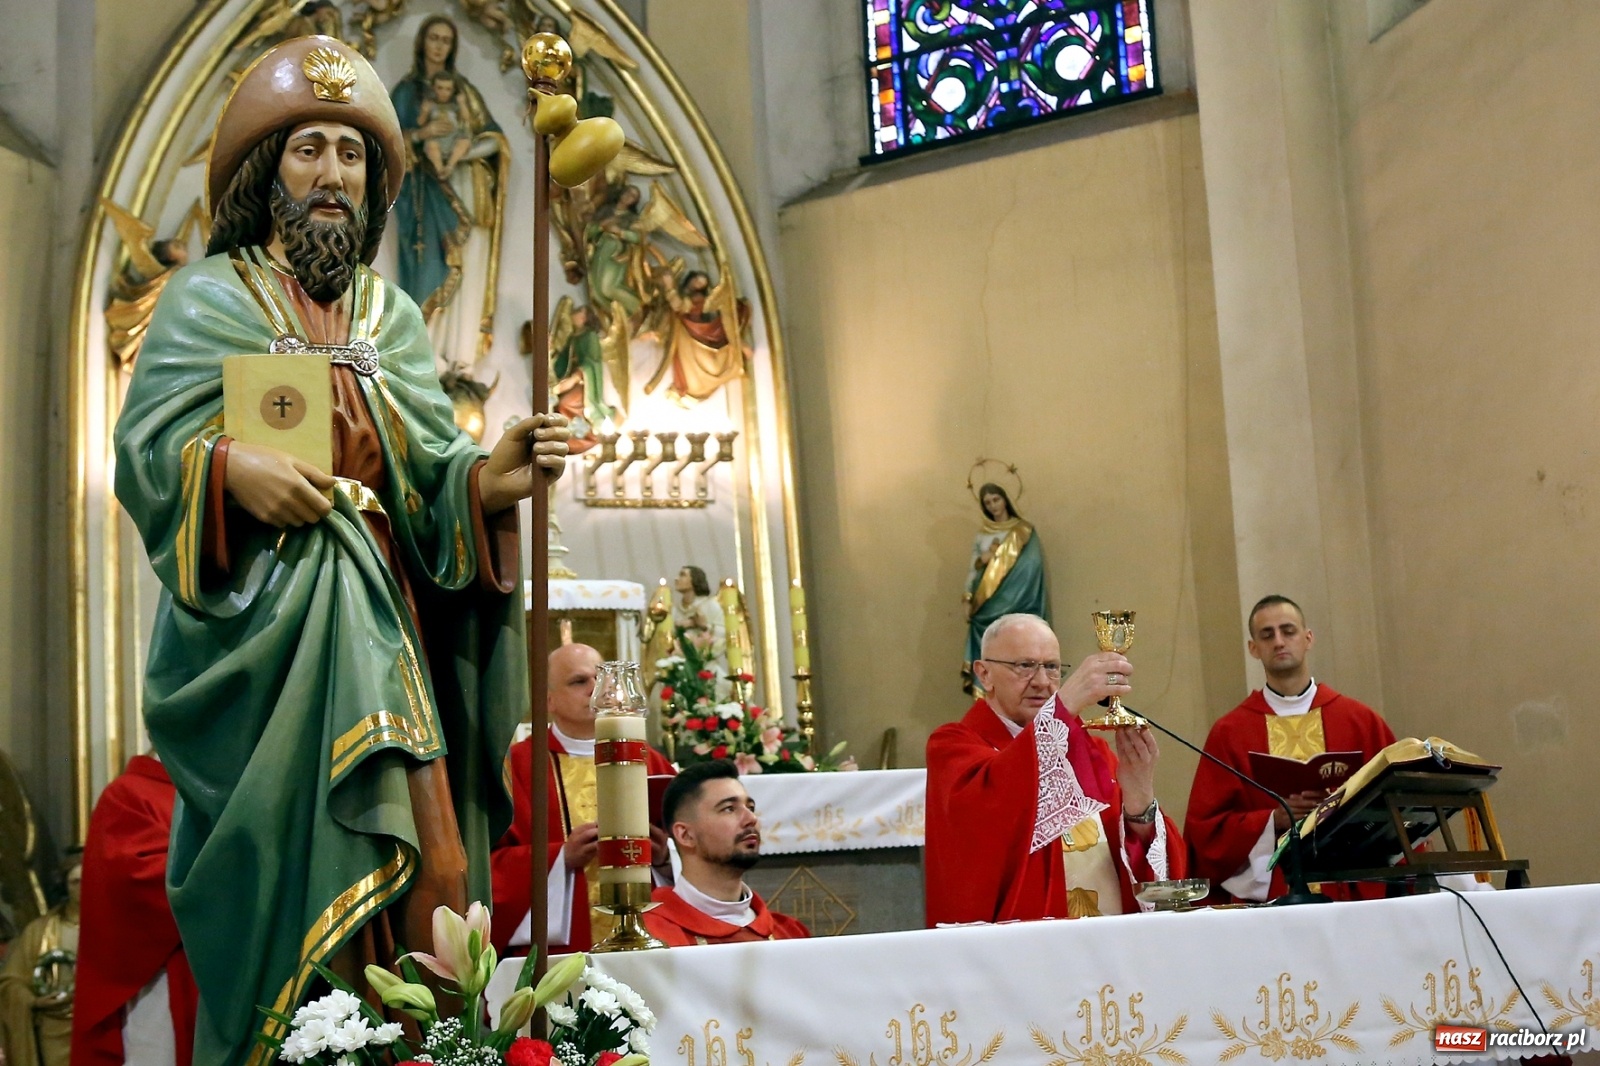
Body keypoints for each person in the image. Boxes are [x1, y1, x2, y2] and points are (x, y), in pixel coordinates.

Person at [110, 36, 568, 1066]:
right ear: (264, 171)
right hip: (268, 649)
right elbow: (146, 454)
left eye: (352, 157)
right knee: (299, 876)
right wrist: (229, 468)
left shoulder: (390, 316)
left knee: (432, 856)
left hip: (384, 622)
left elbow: (433, 480)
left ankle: (414, 1043)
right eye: (309, 149)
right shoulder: (206, 298)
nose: (332, 176)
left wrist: (495, 478)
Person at [925, 614, 1186, 924]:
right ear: (984, 674)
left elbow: (1150, 876)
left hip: (1109, 951)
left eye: (1051, 667)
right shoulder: (953, 746)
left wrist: (1139, 797)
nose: (1041, 681)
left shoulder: (1093, 753)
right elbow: (992, 818)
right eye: (1024, 666)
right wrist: (1063, 705)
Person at [1183, 596, 1397, 903]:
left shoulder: (1360, 722)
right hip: (1272, 898)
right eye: (1267, 635)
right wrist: (1273, 819)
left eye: (1288, 631)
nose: (1279, 642)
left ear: (1308, 638)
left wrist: (1340, 811)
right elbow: (1207, 833)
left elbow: (1394, 807)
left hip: (1351, 892)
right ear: (1253, 648)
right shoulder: (1230, 733)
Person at [490, 644, 675, 955]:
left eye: (601, 678)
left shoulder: (650, 761)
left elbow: (692, 848)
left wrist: (664, 858)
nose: (596, 689)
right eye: (579, 681)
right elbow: (489, 869)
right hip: (561, 956)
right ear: (547, 700)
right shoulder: (517, 767)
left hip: (650, 946)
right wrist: (560, 858)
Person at [388, 15, 509, 362]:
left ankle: (458, 355)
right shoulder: (407, 92)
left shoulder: (465, 93)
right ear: (422, 43)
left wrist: (463, 154)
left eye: (446, 40)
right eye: (434, 38)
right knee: (428, 263)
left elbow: (494, 139)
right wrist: (422, 136)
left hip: (463, 186)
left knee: (466, 260)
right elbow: (389, 142)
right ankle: (423, 353)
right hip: (422, 195)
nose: (439, 46)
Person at [70, 755, 198, 1066]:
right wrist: (227, 873)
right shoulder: (130, 794)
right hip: (164, 977)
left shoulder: (233, 793)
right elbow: (135, 880)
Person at [643, 761, 809, 946]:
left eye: (750, 808)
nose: (751, 819)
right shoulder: (650, 938)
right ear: (686, 835)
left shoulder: (791, 934)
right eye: (729, 808)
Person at [963, 483, 1048, 695]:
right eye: (988, 503)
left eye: (996, 499)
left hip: (1020, 599)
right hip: (987, 605)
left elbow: (1032, 567)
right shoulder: (982, 535)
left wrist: (1003, 566)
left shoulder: (1023, 531)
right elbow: (973, 570)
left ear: (1005, 499)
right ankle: (988, 693)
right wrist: (967, 598)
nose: (993, 506)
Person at [0, 855, 79, 1066]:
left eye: (88, 879)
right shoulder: (39, 931)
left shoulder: (110, 929)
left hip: (96, 1024)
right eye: (75, 882)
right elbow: (11, 982)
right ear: (64, 885)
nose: (82, 887)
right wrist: (33, 1001)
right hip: (52, 1027)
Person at [415, 72, 472, 179]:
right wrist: (424, 112)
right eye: (440, 88)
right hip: (437, 137)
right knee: (431, 146)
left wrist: (462, 104)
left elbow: (466, 118)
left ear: (453, 90)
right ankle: (440, 169)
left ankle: (450, 166)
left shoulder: (454, 106)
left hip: (454, 136)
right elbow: (420, 123)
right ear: (433, 88)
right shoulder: (431, 105)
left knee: (464, 142)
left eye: (448, 89)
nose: (443, 93)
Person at [671, 565, 727, 675]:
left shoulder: (711, 605)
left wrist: (703, 626)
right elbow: (668, 638)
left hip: (707, 669)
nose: (676, 579)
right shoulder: (674, 610)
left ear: (695, 580)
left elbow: (724, 634)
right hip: (682, 669)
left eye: (683, 575)